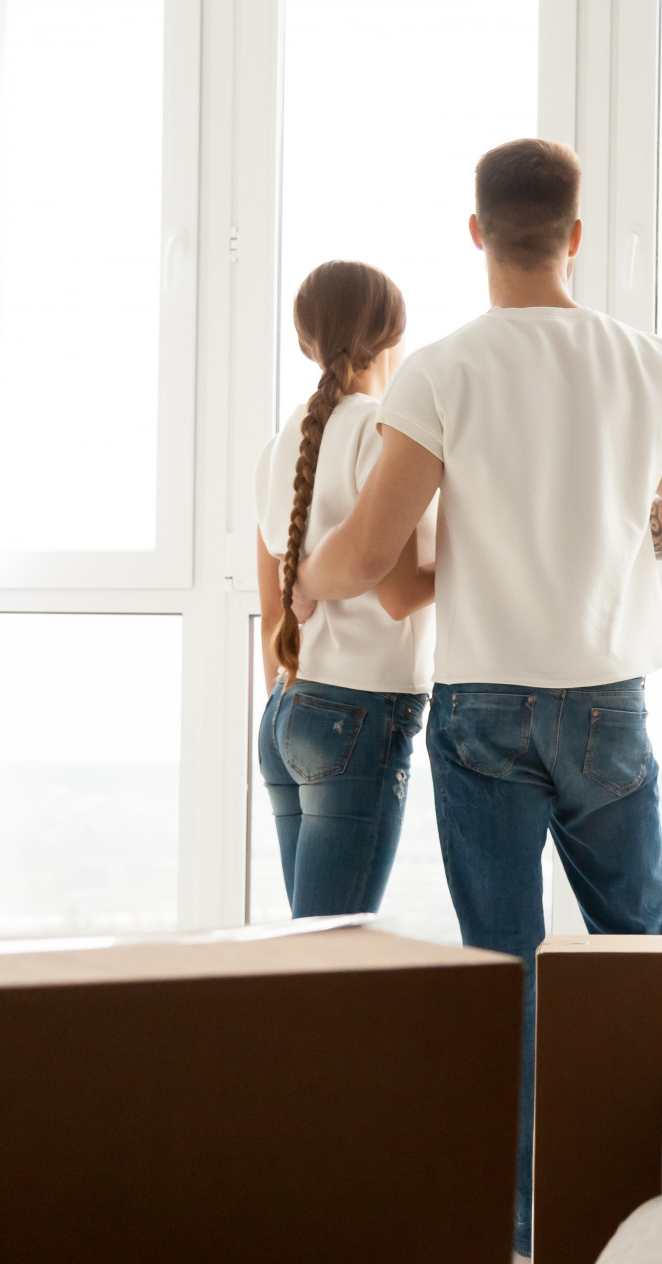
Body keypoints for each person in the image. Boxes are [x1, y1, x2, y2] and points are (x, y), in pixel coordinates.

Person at [298, 139, 662, 1264]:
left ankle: (530, 1238)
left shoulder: (440, 369)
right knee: (638, 959)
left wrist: (307, 576)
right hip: (605, 702)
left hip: (483, 705)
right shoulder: (652, 362)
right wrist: (610, 519)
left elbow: (374, 548)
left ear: (476, 234)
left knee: (509, 969)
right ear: (575, 236)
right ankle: (653, 1212)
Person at [254, 260, 436, 918]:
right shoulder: (384, 432)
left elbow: (272, 602)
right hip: (358, 712)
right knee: (333, 963)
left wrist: (292, 700)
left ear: (308, 340)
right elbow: (398, 591)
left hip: (286, 711)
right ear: (394, 338)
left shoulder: (282, 443)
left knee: (314, 952)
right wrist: (482, 558)